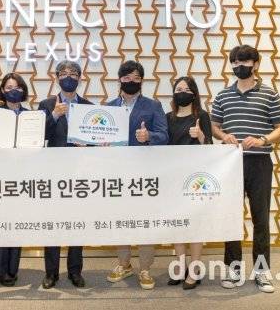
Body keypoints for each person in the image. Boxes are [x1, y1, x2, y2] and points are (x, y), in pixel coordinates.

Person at [211, 45, 280, 293]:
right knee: (231, 218)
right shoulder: (223, 95)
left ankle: (262, 271)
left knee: (260, 219)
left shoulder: (269, 94)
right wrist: (224, 136)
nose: (238, 66)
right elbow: (214, 126)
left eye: (243, 62)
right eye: (234, 62)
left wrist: (263, 139)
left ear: (255, 64)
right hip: (231, 163)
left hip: (259, 163)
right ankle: (233, 269)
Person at [104, 60, 168, 290]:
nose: (131, 82)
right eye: (127, 78)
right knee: (120, 219)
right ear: (120, 80)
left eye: (136, 78)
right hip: (117, 173)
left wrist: (149, 136)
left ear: (142, 81)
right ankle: (124, 264)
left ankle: (145, 267)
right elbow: (99, 138)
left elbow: (164, 136)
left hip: (144, 173)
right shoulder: (108, 107)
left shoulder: (153, 106)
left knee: (145, 220)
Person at [37, 61, 93, 289]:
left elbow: (95, 141)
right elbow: (38, 135)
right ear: (57, 77)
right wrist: (54, 115)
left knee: (77, 223)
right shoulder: (46, 104)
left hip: (80, 173)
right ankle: (51, 273)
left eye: (73, 73)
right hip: (54, 173)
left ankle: (75, 271)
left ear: (80, 78)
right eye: (64, 73)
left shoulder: (89, 106)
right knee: (53, 223)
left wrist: (88, 145)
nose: (68, 77)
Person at [165, 75, 212, 290]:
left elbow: (210, 147)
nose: (181, 93)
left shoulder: (202, 116)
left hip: (195, 180)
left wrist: (200, 135)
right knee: (177, 223)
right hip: (173, 177)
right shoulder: (168, 117)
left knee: (194, 224)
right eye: (178, 89)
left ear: (194, 93)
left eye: (186, 89)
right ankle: (180, 265)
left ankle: (194, 269)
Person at [0, 73, 29, 286]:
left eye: (17, 87)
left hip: (21, 175)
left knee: (16, 221)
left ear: (23, 90)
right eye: (9, 87)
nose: (13, 90)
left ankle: (12, 267)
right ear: (2, 90)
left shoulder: (31, 116)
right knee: (0, 221)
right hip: (0, 174)